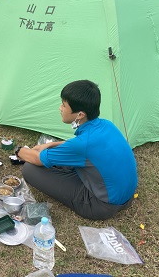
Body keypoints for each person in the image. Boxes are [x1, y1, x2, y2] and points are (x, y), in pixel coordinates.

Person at [17, 80, 138, 220]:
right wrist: (49, 145)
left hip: (101, 205)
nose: (60, 108)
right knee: (65, 158)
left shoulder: (82, 145)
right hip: (126, 196)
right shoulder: (106, 125)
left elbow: (38, 159)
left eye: (63, 105)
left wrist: (19, 151)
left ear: (80, 114)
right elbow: (78, 146)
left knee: (30, 169)